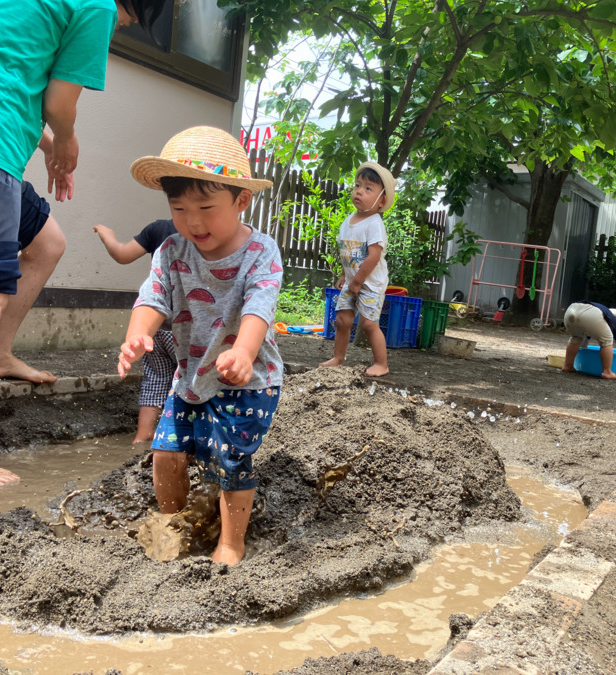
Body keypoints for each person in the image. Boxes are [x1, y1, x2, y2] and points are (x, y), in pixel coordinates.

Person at [0, 0, 166, 486]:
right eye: (129, 24)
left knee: (47, 241)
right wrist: (67, 138)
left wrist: (49, 146)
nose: (118, 30)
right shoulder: (98, 5)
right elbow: (58, 105)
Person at [118, 126, 282, 564]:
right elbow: (152, 297)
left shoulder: (260, 252)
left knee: (229, 460)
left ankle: (231, 541)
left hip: (249, 380)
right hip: (190, 376)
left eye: (207, 207)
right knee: (165, 451)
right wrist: (140, 332)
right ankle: (174, 525)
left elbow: (259, 307)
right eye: (179, 208)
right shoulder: (172, 250)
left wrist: (244, 352)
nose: (193, 221)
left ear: (241, 200)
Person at [94, 220, 178, 443]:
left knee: (156, 378)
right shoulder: (212, 236)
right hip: (187, 331)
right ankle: (176, 440)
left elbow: (122, 254)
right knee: (187, 381)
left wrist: (107, 235)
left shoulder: (159, 228)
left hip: (153, 327)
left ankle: (143, 436)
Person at [319, 162, 398, 377]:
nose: (359, 191)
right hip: (352, 281)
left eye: (368, 188)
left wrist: (357, 281)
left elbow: (373, 257)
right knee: (342, 320)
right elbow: (348, 252)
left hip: (370, 284)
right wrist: (345, 276)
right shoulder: (348, 221)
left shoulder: (374, 223)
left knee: (369, 323)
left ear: (382, 200)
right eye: (357, 185)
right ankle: (338, 358)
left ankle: (381, 364)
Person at [562, 302, 616, 379]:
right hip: (592, 315)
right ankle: (607, 372)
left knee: (576, 337)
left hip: (571, 309)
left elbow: (583, 345)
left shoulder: (602, 313)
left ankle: (568, 366)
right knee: (607, 341)